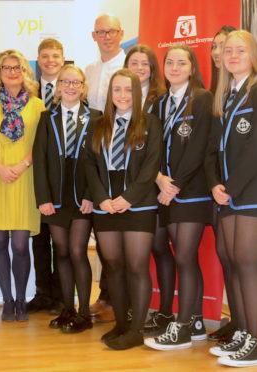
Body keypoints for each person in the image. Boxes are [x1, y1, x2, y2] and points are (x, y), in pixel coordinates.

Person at [205, 30, 257, 367]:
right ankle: (244, 333)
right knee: (234, 262)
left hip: (256, 189)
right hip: (228, 191)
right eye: (228, 50)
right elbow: (212, 150)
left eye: (241, 50)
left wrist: (230, 187)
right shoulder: (224, 95)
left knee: (248, 264)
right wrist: (214, 185)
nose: (233, 55)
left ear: (253, 54)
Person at [85, 68, 162, 350]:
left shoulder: (151, 123)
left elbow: (152, 165)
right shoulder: (99, 124)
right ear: (110, 93)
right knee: (114, 265)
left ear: (137, 92)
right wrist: (101, 197)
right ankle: (121, 324)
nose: (122, 95)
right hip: (106, 201)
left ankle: (137, 329)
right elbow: (89, 166)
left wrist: (129, 198)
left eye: (128, 89)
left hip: (138, 201)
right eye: (117, 89)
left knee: (136, 266)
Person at [144, 44, 213, 350]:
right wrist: (160, 179)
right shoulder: (159, 104)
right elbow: (152, 148)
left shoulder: (202, 98)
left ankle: (182, 327)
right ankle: (195, 321)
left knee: (185, 256)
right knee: (180, 256)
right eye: (169, 62)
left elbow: (200, 147)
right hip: (164, 190)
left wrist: (175, 185)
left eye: (181, 62)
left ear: (192, 67)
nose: (174, 67)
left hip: (192, 191)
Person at [0, 49, 45, 322]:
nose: (12, 72)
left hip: (25, 176)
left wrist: (21, 165)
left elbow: (41, 144)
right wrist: (1, 168)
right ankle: (7, 301)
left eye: (17, 67)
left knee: (19, 244)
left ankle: (21, 299)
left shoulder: (38, 105)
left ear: (25, 72)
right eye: (7, 68)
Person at [33, 64, 101, 333]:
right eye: (66, 82)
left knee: (76, 251)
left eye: (76, 82)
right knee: (60, 252)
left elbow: (99, 162)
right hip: (55, 197)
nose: (71, 86)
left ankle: (84, 313)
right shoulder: (46, 117)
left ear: (83, 87)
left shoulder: (95, 118)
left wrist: (91, 196)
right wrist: (43, 197)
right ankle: (67, 310)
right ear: (58, 87)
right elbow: (39, 160)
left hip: (83, 197)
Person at [124, 44, 175, 336]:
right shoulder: (121, 100)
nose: (140, 67)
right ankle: (135, 308)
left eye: (145, 63)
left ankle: (166, 312)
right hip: (129, 189)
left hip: (158, 186)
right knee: (134, 255)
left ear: (153, 69)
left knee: (158, 247)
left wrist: (157, 178)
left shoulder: (161, 100)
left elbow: (159, 148)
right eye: (134, 62)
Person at [85, 13, 126, 322]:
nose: (107, 36)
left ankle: (117, 300)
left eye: (111, 31)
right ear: (93, 36)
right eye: (101, 32)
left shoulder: (128, 69)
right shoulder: (89, 70)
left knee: (119, 237)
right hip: (98, 150)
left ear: (121, 33)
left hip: (123, 155)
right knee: (103, 234)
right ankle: (106, 295)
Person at [27, 38, 65, 315]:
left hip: (64, 178)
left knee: (62, 242)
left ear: (63, 59)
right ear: (38, 61)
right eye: (45, 56)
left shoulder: (73, 90)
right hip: (35, 174)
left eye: (55, 55)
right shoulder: (28, 93)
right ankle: (43, 293)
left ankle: (63, 294)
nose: (50, 60)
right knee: (39, 239)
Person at [208, 25, 239, 344]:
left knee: (236, 256)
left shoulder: (245, 88)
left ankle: (243, 322)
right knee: (224, 253)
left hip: (236, 187)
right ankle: (238, 320)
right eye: (215, 47)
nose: (219, 52)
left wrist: (227, 185)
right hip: (215, 184)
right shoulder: (215, 88)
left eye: (225, 46)